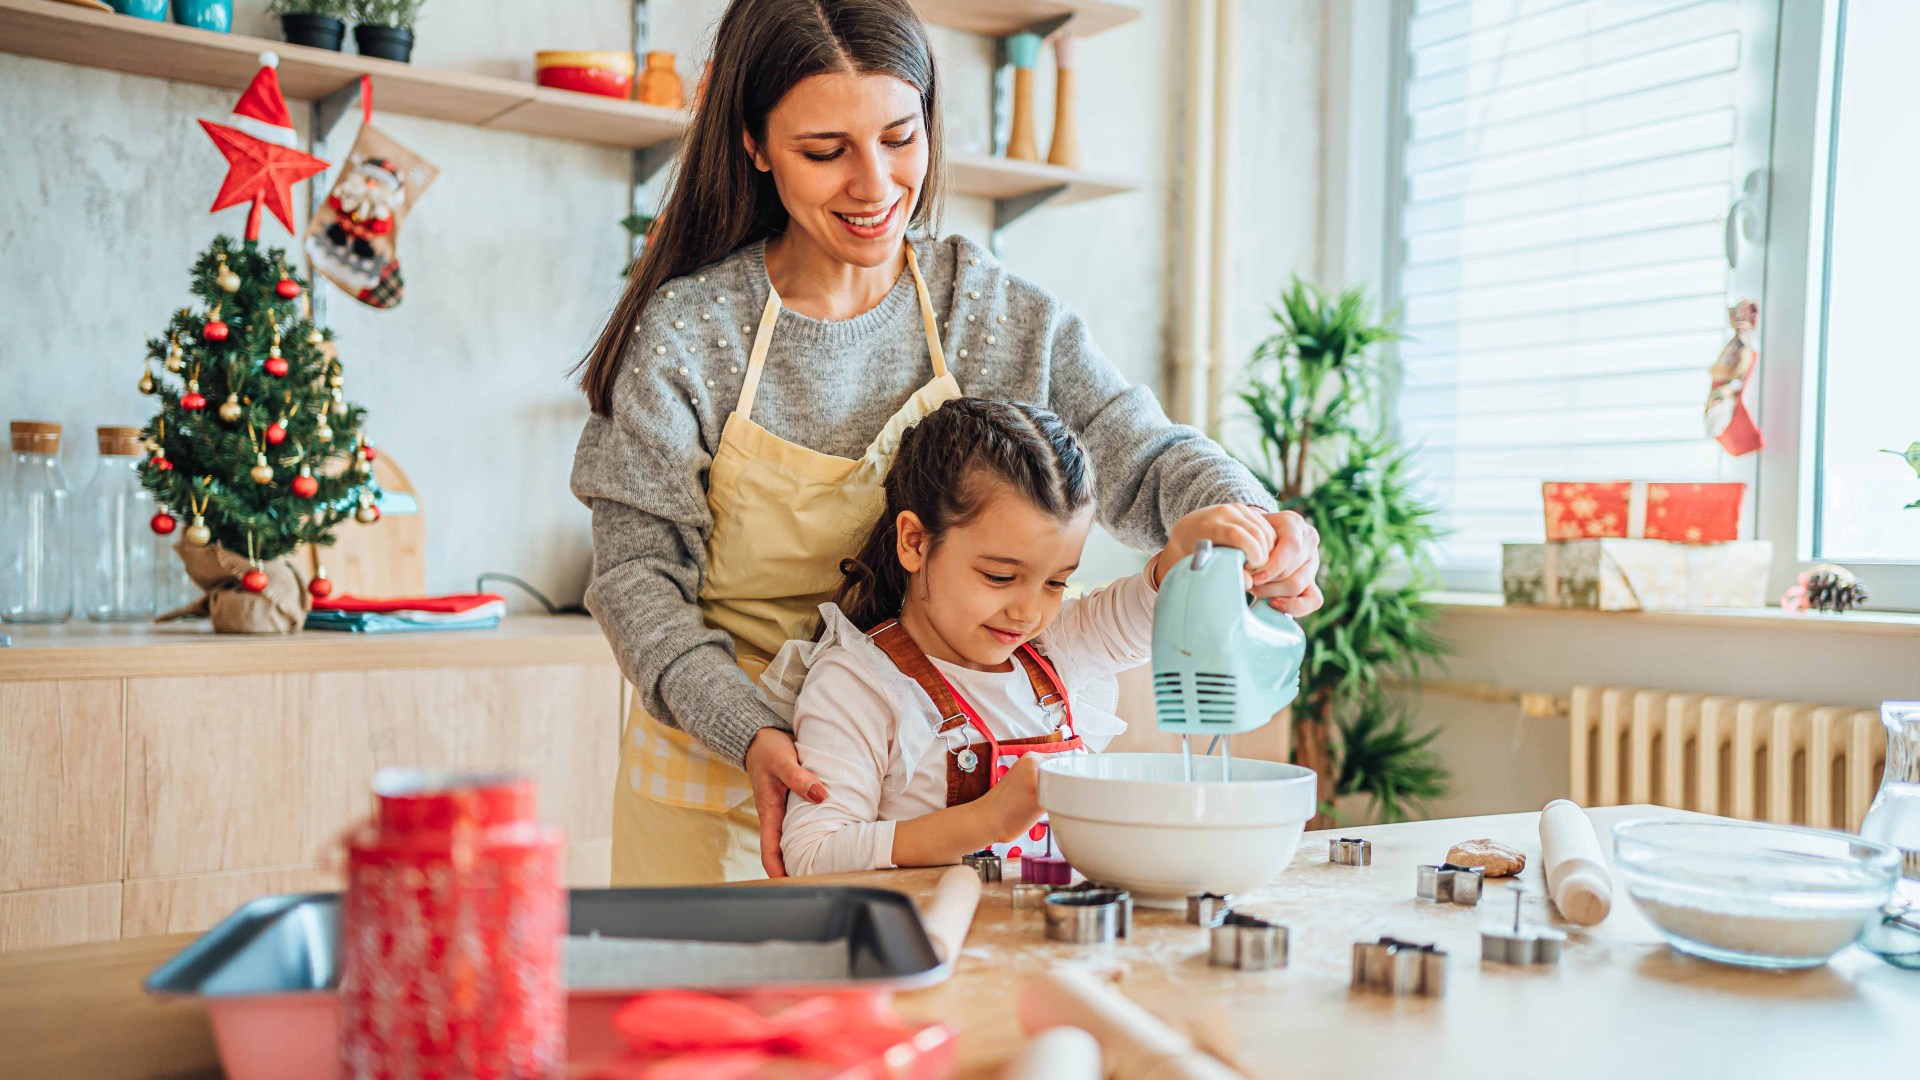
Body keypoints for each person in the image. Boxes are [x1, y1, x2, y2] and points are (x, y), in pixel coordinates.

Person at [570, 0, 1321, 886]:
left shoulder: (985, 308)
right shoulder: (693, 333)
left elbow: (1141, 450)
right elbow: (636, 580)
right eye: (825, 151)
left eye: (901, 136)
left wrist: (1241, 521)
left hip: (914, 811)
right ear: (754, 142)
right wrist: (752, 731)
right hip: (717, 783)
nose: (876, 185)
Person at [767, 398, 1278, 876]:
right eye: (999, 576)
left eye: (1056, 581)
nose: (1029, 611)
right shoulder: (859, 684)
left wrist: (1184, 552)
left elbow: (1145, 610)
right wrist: (987, 820)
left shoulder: (1051, 651)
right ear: (915, 541)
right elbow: (813, 855)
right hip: (930, 958)